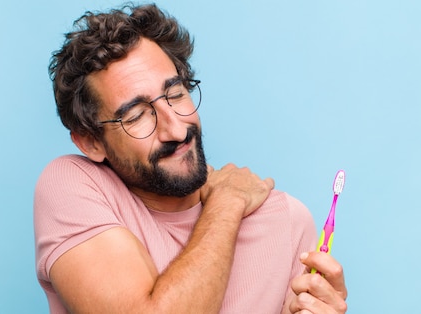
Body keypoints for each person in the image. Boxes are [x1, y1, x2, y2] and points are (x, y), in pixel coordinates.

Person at [34, 3, 348, 313]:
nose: (177, 129)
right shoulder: (73, 185)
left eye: (176, 94)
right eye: (137, 115)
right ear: (90, 142)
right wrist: (226, 204)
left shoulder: (286, 221)